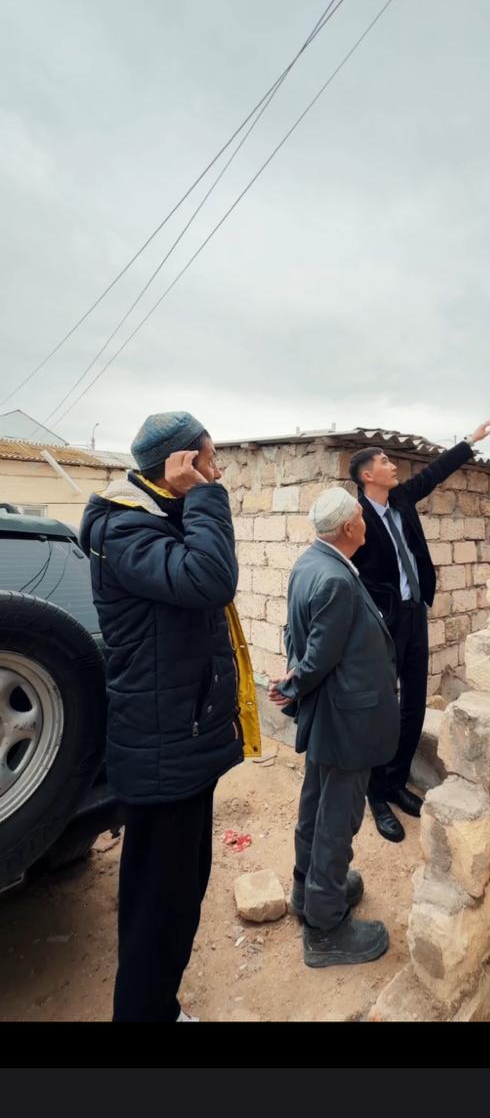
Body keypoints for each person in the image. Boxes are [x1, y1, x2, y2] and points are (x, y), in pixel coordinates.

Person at [79, 410, 260, 1022]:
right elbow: (211, 580)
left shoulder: (157, 520)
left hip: (179, 743)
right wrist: (205, 496)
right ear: (181, 464)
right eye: (211, 459)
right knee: (160, 908)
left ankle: (157, 1008)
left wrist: (193, 501)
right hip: (162, 749)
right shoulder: (126, 528)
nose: (219, 471)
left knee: (176, 895)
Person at [349, 420, 490, 843]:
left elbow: (435, 473)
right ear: (367, 475)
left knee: (413, 702)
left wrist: (470, 441)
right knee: (382, 707)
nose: (392, 465)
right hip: (383, 622)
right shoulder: (356, 517)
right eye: (385, 461)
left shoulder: (401, 499)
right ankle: (376, 794)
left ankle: (397, 782)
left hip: (414, 613)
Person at [269, 486, 399, 969]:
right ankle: (325, 928)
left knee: (316, 807)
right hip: (347, 720)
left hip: (330, 714)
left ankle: (309, 890)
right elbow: (319, 655)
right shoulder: (336, 579)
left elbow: (295, 635)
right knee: (337, 820)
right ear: (348, 527)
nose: (367, 521)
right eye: (362, 516)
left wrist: (294, 681)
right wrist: (293, 685)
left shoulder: (311, 563)